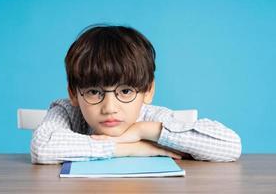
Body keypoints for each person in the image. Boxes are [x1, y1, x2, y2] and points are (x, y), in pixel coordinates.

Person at [31, 24, 242, 164]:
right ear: (74, 94)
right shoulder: (67, 111)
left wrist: (142, 131)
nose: (110, 108)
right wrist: (129, 148)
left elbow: (230, 146)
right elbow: (42, 148)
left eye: (125, 91)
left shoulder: (151, 117)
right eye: (94, 92)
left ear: (148, 91)